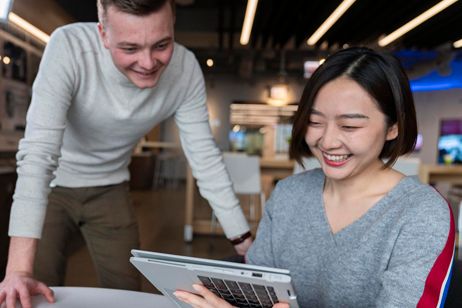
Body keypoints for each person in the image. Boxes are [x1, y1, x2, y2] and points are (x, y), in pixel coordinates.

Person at [0, 0, 253, 307]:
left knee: (126, 293)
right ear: (103, 33)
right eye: (130, 48)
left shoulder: (185, 70)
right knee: (36, 290)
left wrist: (243, 241)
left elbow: (205, 158)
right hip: (51, 188)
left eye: (161, 44)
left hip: (111, 189)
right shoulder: (69, 47)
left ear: (173, 24)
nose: (148, 63)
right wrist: (17, 270)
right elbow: (39, 155)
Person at [174, 47, 455, 307]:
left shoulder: (421, 214)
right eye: (315, 122)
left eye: (349, 125)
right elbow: (255, 293)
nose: (327, 141)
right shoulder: (287, 195)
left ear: (393, 127)